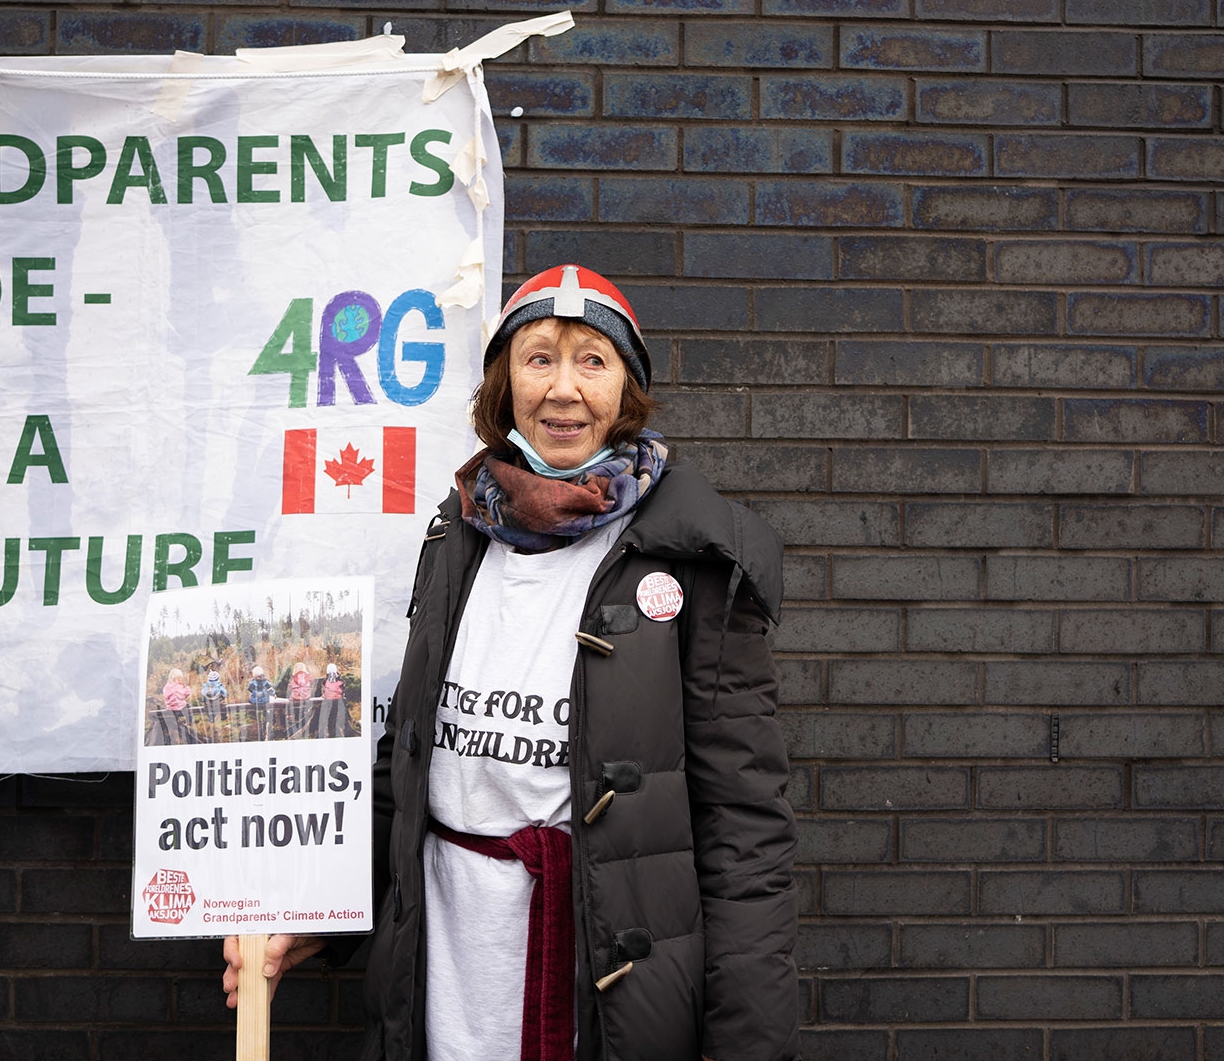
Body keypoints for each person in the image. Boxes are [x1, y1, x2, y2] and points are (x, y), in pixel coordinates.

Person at [223, 264, 797, 1061]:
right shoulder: (456, 534)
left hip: (596, 987)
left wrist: (749, 1045)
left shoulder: (694, 567)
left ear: (625, 391)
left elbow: (744, 831)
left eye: (592, 360)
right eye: (539, 358)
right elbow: (412, 762)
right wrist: (317, 912)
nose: (564, 388)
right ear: (504, 383)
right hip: (445, 975)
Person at [248, 666, 275, 742]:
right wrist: (272, 693)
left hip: (258, 700)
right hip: (262, 700)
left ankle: (262, 721)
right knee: (263, 711)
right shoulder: (265, 682)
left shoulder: (254, 682)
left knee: (261, 711)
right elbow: (270, 688)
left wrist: (272, 693)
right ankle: (263, 720)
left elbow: (250, 688)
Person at [287, 661, 314, 737]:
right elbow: (312, 682)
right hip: (306, 695)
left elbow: (290, 687)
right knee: (307, 699)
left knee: (290, 700)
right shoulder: (308, 676)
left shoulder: (294, 677)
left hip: (296, 696)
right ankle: (306, 711)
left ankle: (290, 714)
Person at [319, 661, 345, 738]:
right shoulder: (339, 679)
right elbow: (343, 689)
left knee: (330, 717)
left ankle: (329, 733)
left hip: (328, 701)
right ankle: (338, 734)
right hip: (338, 701)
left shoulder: (325, 680)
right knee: (337, 718)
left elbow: (323, 690)